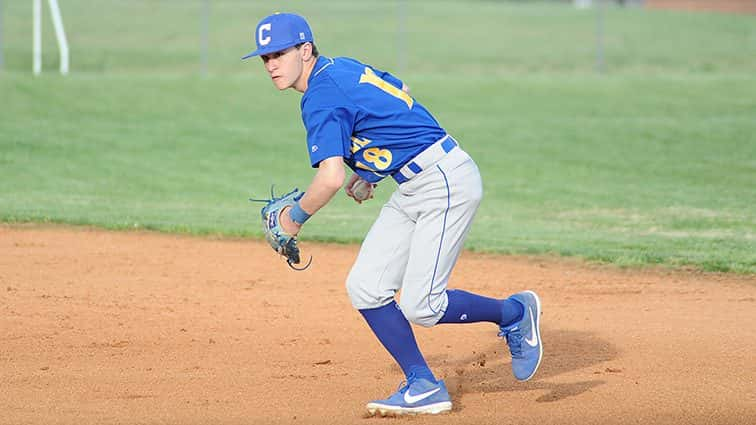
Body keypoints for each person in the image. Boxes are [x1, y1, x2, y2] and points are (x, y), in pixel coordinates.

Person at [242, 12, 543, 416]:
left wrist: (292, 220)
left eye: (279, 53)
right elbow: (398, 93)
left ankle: (515, 312)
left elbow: (330, 178)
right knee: (366, 286)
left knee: (424, 307)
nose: (272, 65)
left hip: (444, 182)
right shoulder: (339, 68)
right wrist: (369, 170)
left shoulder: (319, 95)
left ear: (305, 49)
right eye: (265, 58)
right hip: (414, 183)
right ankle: (422, 384)